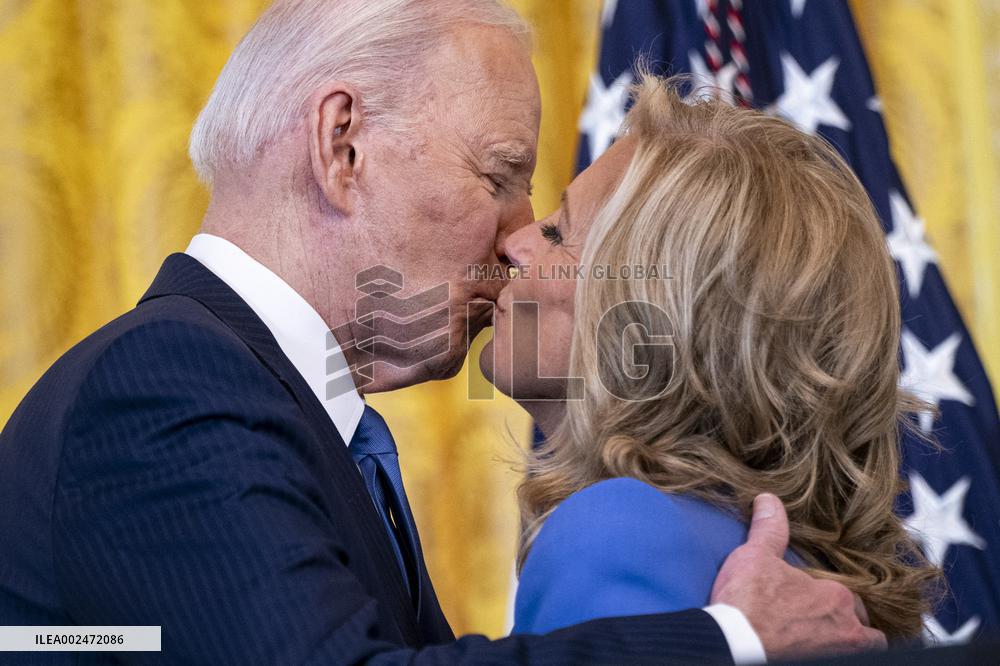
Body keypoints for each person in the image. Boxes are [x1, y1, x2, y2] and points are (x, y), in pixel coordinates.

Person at [0, 1, 884, 663]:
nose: (517, 233)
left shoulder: (287, 414)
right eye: (501, 174)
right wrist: (729, 640)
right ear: (342, 145)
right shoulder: (168, 377)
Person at [483, 74, 939, 643]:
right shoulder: (807, 585)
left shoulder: (618, 532)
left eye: (558, 232)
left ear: (655, 312)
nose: (514, 244)